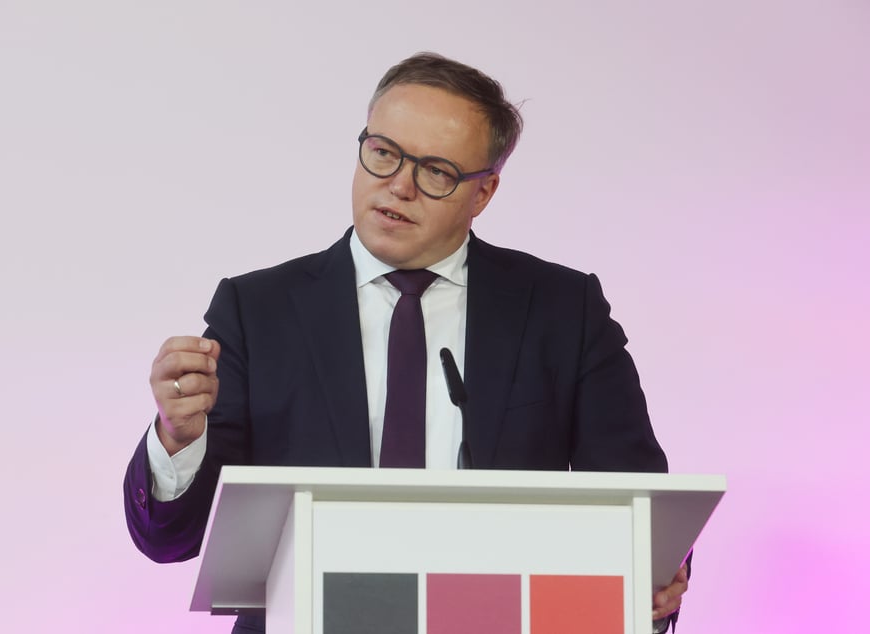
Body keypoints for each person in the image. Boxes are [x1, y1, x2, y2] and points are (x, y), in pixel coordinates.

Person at [124, 52, 689, 634]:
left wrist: (659, 570)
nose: (398, 185)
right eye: (384, 153)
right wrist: (179, 438)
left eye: (437, 171)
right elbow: (173, 538)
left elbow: (638, 500)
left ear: (485, 191)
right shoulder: (257, 310)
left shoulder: (562, 310)